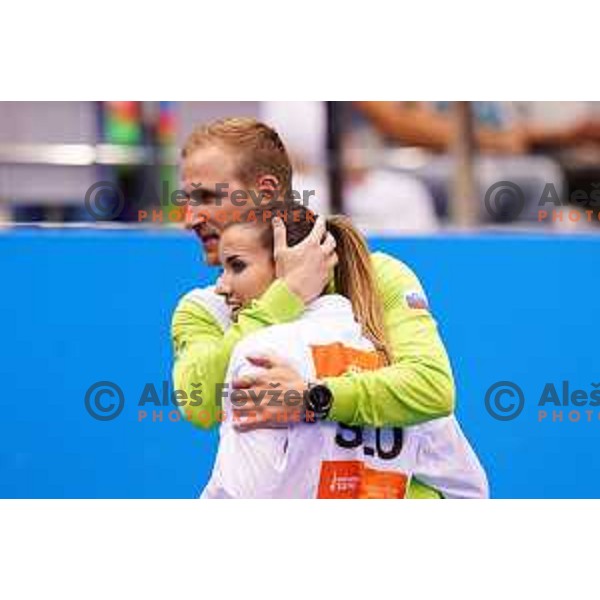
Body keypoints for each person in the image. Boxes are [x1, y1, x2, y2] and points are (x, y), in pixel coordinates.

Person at [172, 117, 456, 499]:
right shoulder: (202, 309)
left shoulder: (378, 275)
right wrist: (285, 297)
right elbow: (201, 404)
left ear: (265, 191)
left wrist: (313, 399)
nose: (190, 218)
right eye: (188, 200)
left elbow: (432, 388)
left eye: (206, 197)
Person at [200, 203, 488, 499]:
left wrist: (312, 399)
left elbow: (239, 494)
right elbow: (469, 488)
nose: (220, 286)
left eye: (236, 265)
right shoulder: (392, 369)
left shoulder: (259, 354)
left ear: (287, 263)